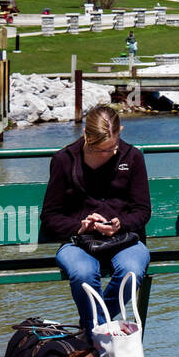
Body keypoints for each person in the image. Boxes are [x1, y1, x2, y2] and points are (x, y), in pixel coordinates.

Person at [42, 105, 151, 331]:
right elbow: (50, 215)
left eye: (112, 147)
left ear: (120, 130)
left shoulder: (132, 157)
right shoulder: (64, 160)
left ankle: (90, 331)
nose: (108, 154)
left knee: (131, 272)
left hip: (124, 240)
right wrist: (79, 227)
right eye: (99, 149)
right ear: (85, 134)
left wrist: (121, 225)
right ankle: (99, 337)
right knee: (83, 272)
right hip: (78, 242)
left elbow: (142, 211)